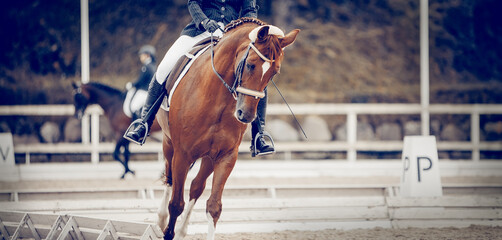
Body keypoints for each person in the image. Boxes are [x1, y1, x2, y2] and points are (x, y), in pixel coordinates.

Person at [124, 0, 275, 157]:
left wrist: (245, 28)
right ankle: (144, 123)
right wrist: (204, 21)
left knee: (257, 75)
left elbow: (249, 10)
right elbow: (194, 3)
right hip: (199, 30)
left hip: (232, 35)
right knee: (163, 69)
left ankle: (259, 136)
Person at [124, 45, 156, 119]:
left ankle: (138, 126)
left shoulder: (147, 67)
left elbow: (141, 81)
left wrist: (132, 85)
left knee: (133, 107)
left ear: (147, 55)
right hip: (149, 91)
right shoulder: (153, 66)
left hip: (144, 91)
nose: (140, 57)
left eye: (142, 55)